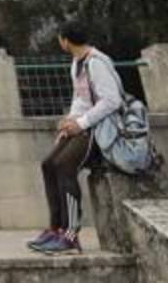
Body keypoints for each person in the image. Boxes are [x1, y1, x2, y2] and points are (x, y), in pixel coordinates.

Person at [28, 21, 123, 255]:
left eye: (60, 38)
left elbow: (112, 101)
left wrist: (80, 124)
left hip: (102, 129)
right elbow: (80, 99)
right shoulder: (77, 64)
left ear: (65, 40)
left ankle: (71, 237)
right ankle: (56, 229)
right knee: (48, 164)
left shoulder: (96, 62)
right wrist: (69, 122)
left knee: (64, 166)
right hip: (85, 125)